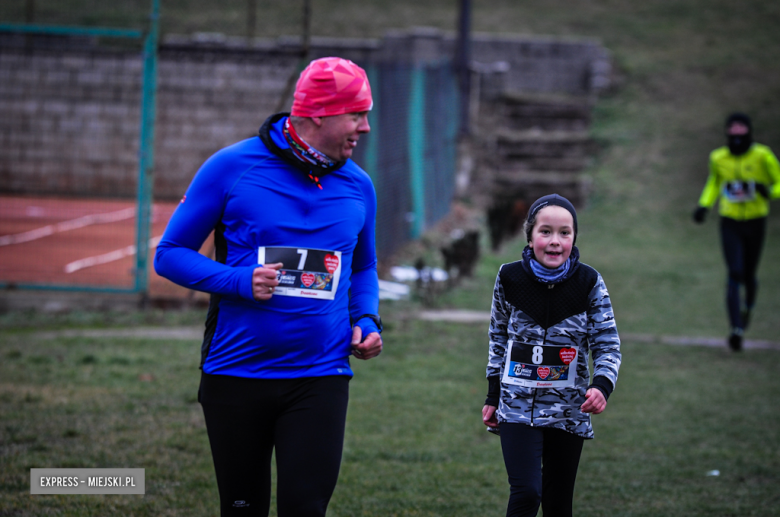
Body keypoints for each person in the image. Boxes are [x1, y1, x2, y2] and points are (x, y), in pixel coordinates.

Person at [154, 56, 383, 516]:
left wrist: (367, 317)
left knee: (305, 507)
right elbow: (169, 254)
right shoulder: (231, 167)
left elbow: (363, 267)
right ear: (319, 113)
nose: (365, 127)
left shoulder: (359, 185)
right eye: (356, 115)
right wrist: (238, 281)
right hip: (236, 374)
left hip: (321, 377)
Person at [481, 194, 622, 517]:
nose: (555, 241)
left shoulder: (589, 283)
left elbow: (607, 344)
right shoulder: (508, 278)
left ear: (574, 237)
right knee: (527, 493)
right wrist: (493, 394)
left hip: (568, 410)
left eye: (564, 232)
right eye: (545, 231)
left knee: (558, 504)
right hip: (516, 408)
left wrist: (601, 386)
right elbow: (498, 339)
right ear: (529, 236)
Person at [692, 113, 780, 351]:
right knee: (735, 271)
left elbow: (778, 183)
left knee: (749, 274)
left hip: (756, 221)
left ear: (749, 131)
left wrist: (768, 191)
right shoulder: (718, 157)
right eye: (733, 128)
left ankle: (748, 307)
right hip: (730, 221)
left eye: (742, 127)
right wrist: (704, 205)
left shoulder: (763, 155)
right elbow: (714, 182)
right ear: (727, 131)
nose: (737, 132)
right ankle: (736, 329)